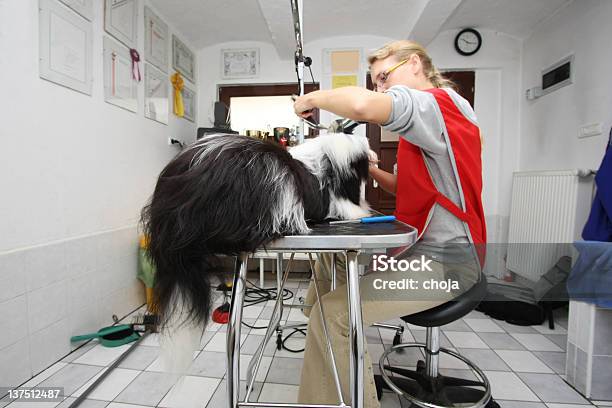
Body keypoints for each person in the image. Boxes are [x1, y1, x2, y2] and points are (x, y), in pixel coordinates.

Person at [293, 40, 487, 407]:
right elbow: (406, 187)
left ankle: (332, 350)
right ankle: (330, 361)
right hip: (421, 253)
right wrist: (369, 168)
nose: (382, 89)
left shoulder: (437, 105)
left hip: (449, 264)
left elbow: (364, 105)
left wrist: (313, 99)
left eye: (384, 78)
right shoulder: (429, 127)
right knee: (329, 263)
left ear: (415, 64)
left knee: (334, 312)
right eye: (377, 83)